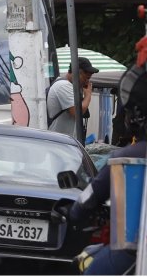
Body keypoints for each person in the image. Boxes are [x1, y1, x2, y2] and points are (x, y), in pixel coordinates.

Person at [70, 62, 147, 275]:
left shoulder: (126, 157)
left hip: (132, 254)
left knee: (88, 267)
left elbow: (83, 204)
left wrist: (75, 213)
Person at [46, 58, 97, 138]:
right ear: (77, 73)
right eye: (86, 78)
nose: (87, 82)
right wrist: (88, 95)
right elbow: (77, 112)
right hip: (58, 142)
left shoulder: (70, 86)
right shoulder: (63, 85)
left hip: (63, 141)